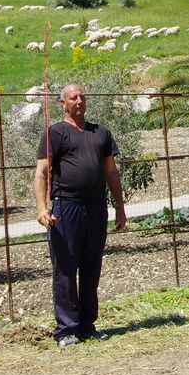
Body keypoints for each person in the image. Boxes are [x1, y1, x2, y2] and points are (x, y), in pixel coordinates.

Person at [35, 82, 127, 345]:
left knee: (91, 267)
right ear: (62, 103)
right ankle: (65, 329)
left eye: (82, 97)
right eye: (73, 97)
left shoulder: (101, 133)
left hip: (96, 207)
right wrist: (42, 208)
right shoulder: (55, 134)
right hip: (66, 207)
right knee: (65, 269)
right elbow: (41, 173)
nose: (79, 101)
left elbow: (111, 172)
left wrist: (120, 208)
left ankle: (87, 325)